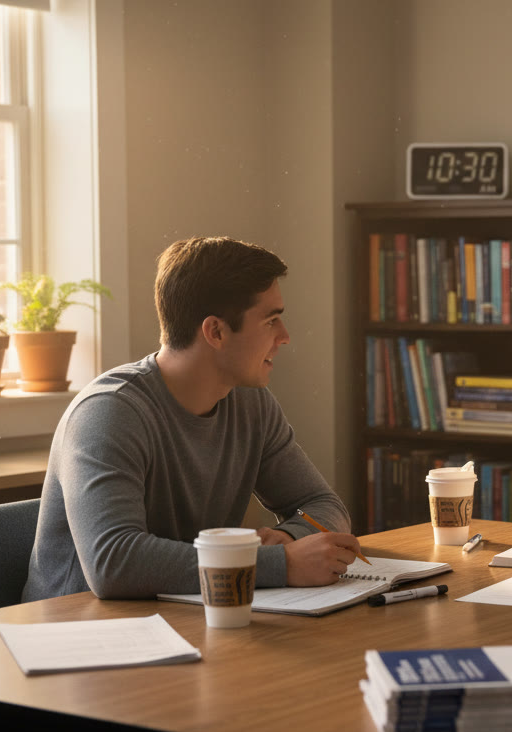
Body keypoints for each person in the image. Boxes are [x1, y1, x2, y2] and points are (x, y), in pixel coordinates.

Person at [24, 237, 361, 601]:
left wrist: (289, 537)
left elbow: (324, 506)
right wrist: (279, 564)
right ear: (216, 331)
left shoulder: (251, 404)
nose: (285, 337)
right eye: (271, 321)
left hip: (181, 613)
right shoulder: (108, 412)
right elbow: (112, 563)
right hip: (78, 624)